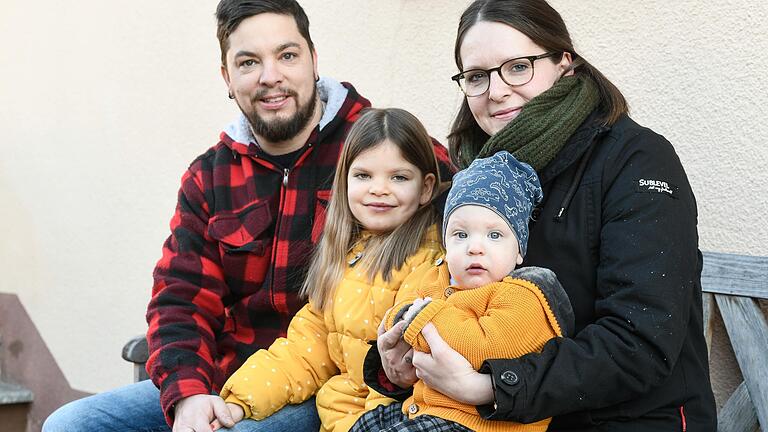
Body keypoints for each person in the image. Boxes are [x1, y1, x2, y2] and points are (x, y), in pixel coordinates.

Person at [42, 1, 452, 432]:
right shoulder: (210, 176)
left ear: (313, 60)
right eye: (248, 62)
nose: (269, 76)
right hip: (226, 374)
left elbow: (462, 220)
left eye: (287, 55)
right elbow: (180, 298)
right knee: (71, 423)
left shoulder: (376, 146)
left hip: (327, 381)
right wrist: (188, 394)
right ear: (227, 77)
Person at [367, 1, 717, 430]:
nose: (496, 91)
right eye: (476, 76)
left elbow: (640, 341)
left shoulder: (636, 160)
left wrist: (491, 387)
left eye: (518, 67)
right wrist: (400, 364)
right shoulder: (476, 175)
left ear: (564, 63)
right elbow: (458, 303)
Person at [212, 107, 445, 432]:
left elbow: (408, 381)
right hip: (339, 415)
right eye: (364, 175)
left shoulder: (430, 266)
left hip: (387, 421)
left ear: (425, 187)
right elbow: (305, 351)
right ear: (345, 181)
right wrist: (239, 401)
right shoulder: (347, 258)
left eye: (399, 177)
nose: (379, 189)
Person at [351, 151, 574, 432]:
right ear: (445, 242)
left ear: (519, 250)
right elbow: (400, 314)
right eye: (461, 234)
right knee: (364, 424)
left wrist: (421, 317)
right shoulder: (435, 277)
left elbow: (481, 347)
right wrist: (405, 320)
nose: (474, 247)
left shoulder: (524, 294)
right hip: (426, 410)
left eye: (494, 235)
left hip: (479, 424)